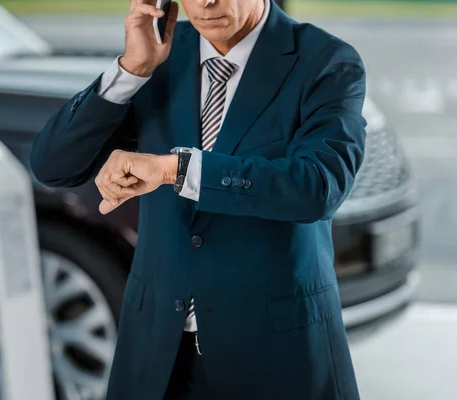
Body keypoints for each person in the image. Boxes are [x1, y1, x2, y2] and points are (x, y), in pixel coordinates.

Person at [30, 0, 366, 398]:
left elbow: (318, 188)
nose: (205, 2)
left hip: (275, 356)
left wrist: (177, 169)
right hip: (158, 356)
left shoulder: (325, 61)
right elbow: (54, 165)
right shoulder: (159, 54)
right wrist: (130, 70)